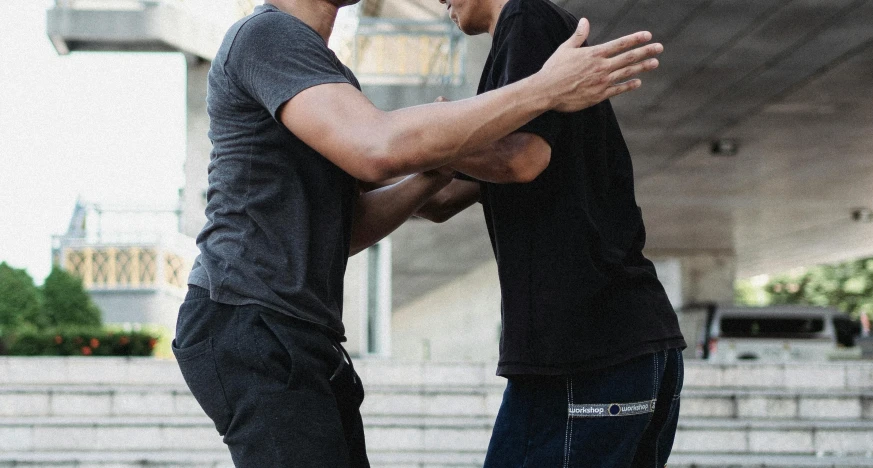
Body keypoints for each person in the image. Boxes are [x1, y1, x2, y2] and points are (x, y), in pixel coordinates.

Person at [171, 0, 665, 466]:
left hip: (298, 330)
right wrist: (544, 88)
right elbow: (377, 147)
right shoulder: (267, 34)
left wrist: (434, 168)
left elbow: (346, 228)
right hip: (247, 318)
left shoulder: (328, 74)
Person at [413, 0, 687, 466]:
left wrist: (434, 135)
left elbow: (521, 159)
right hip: (616, 349)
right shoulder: (514, 46)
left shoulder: (525, 17)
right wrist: (363, 160)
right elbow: (443, 200)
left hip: (586, 353)